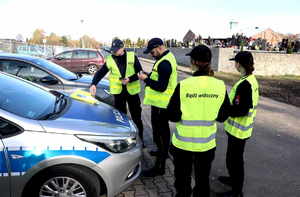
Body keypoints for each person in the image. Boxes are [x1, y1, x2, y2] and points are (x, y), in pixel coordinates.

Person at [167, 45, 230, 197]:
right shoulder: (220, 86)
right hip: (206, 145)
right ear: (209, 62)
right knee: (202, 181)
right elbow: (222, 116)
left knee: (182, 180)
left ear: (193, 62)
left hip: (183, 145)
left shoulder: (184, 86)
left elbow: (172, 115)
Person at [217, 51, 259, 197]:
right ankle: (233, 180)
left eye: (235, 62)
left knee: (234, 161)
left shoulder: (246, 84)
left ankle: (236, 191)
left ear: (240, 64)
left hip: (238, 132)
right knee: (233, 159)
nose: (234, 64)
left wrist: (226, 109)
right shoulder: (249, 79)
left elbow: (241, 110)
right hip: (240, 130)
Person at [90, 39, 144, 145]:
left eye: (117, 50)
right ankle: (125, 142)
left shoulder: (132, 56)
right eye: (113, 50)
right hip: (119, 93)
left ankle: (141, 140)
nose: (114, 52)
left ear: (122, 48)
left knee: (137, 118)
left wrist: (130, 79)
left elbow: (140, 72)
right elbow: (100, 72)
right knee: (121, 120)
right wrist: (93, 83)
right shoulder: (110, 59)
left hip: (132, 92)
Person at [138, 38, 178, 177]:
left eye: (152, 51)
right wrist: (149, 75)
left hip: (162, 105)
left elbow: (161, 87)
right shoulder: (166, 58)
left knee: (161, 134)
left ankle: (159, 167)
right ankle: (163, 152)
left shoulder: (164, 63)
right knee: (162, 133)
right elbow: (160, 78)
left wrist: (145, 79)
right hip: (161, 104)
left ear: (159, 47)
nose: (151, 54)